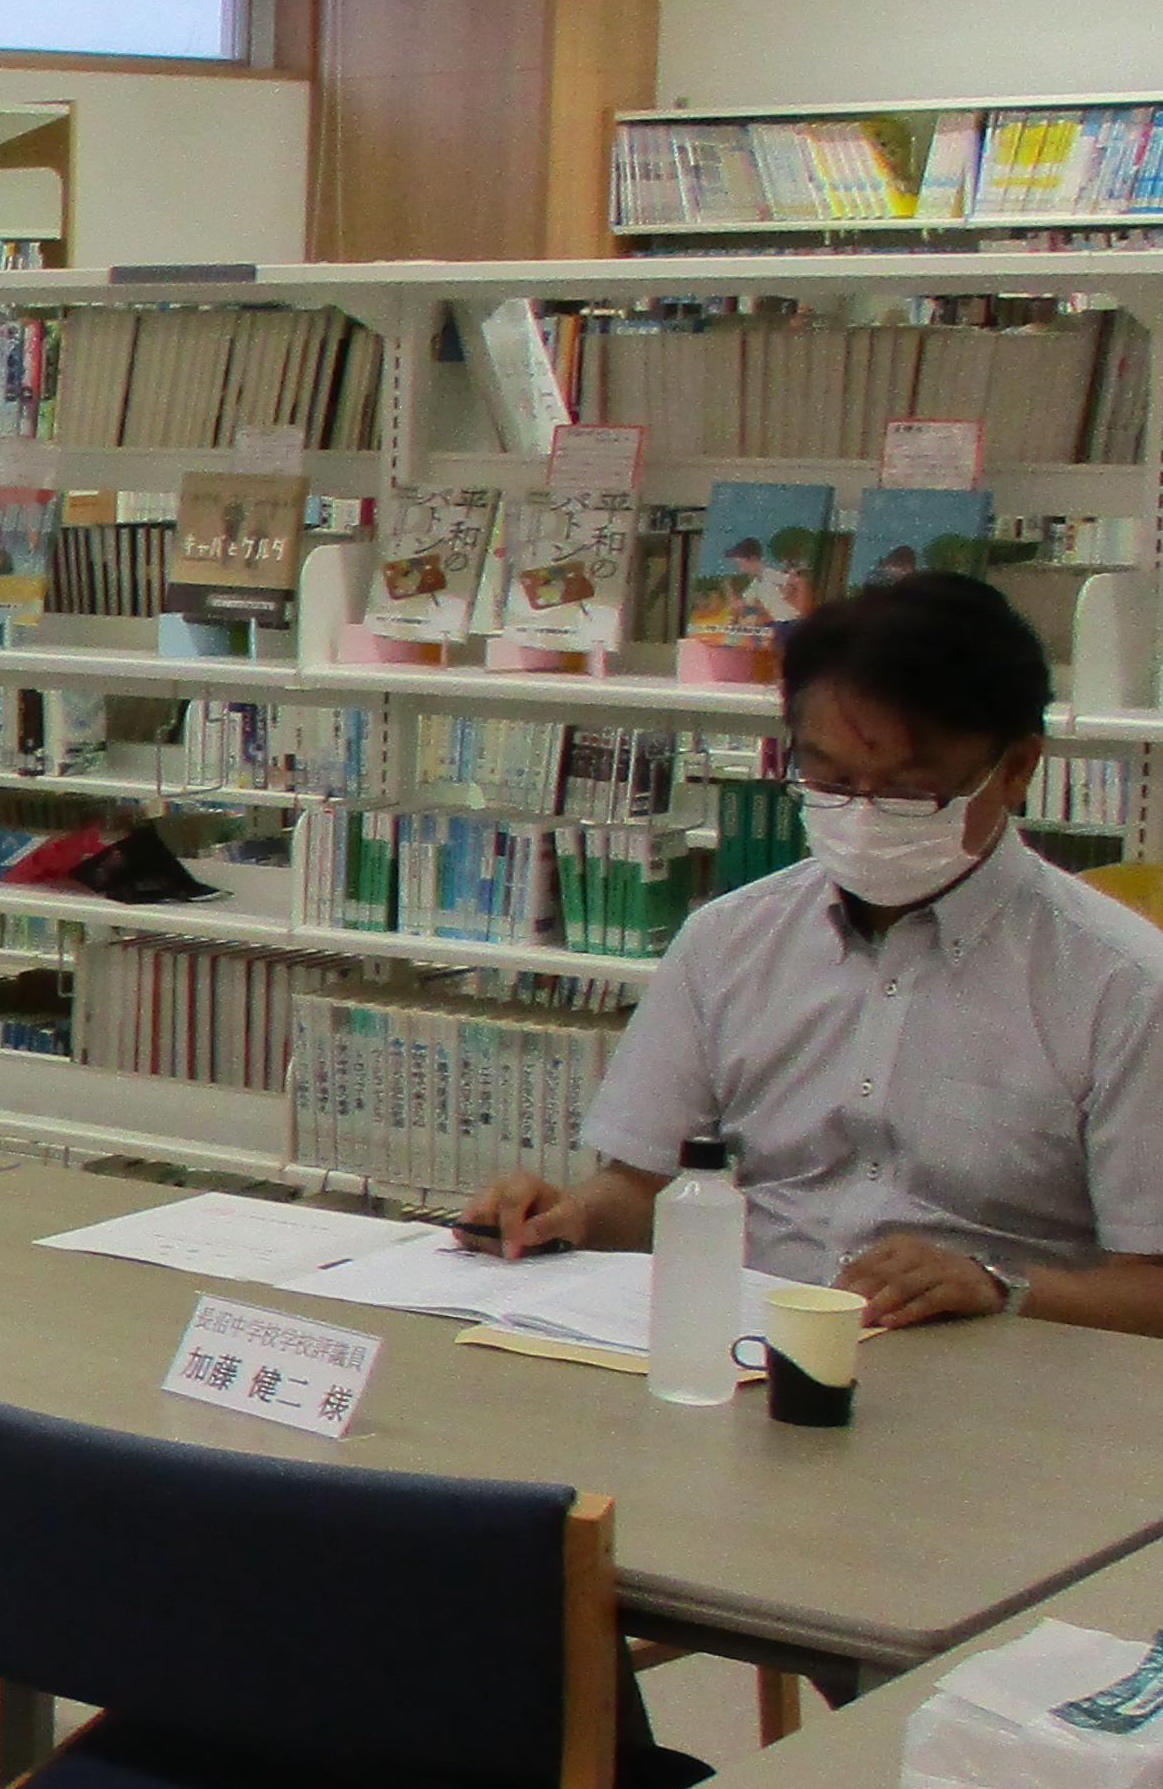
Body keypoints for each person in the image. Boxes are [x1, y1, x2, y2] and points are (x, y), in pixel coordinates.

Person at [470, 569, 1163, 1332]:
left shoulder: (1123, 984)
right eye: (829, 780)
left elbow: (1152, 1287)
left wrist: (1000, 1288)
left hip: (997, 1368)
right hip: (750, 1343)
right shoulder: (731, 940)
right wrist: (567, 1215)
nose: (863, 815)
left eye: (909, 790)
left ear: (1017, 768)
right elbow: (641, 1186)